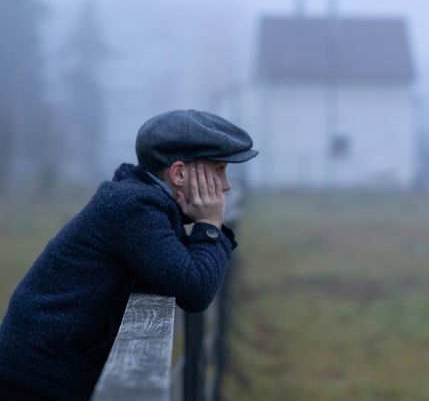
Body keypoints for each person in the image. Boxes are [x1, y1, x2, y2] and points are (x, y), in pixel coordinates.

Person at [0, 109, 257, 400]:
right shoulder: (134, 207)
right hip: (34, 381)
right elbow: (195, 289)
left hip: (49, 374)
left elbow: (186, 272)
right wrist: (210, 224)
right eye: (220, 170)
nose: (226, 185)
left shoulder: (143, 200)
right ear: (179, 173)